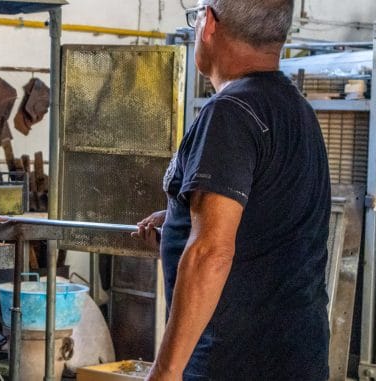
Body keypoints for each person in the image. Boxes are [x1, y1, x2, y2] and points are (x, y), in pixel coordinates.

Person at [132, 1, 331, 380]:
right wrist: (180, 217)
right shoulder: (297, 110)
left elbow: (211, 251)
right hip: (296, 357)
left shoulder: (230, 112)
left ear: (207, 23)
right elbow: (270, 216)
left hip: (233, 361)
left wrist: (165, 372)